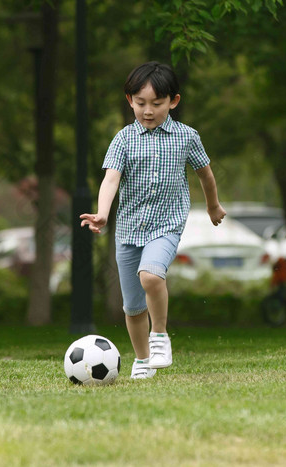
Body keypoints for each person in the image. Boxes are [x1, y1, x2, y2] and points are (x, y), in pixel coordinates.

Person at [80, 62, 226, 379]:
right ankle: (143, 360)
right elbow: (110, 180)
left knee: (151, 275)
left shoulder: (187, 137)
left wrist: (213, 206)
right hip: (129, 230)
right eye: (140, 103)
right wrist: (102, 212)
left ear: (173, 101)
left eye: (156, 104)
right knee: (132, 308)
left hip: (167, 225)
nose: (148, 111)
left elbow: (206, 175)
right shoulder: (123, 139)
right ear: (129, 100)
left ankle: (159, 335)